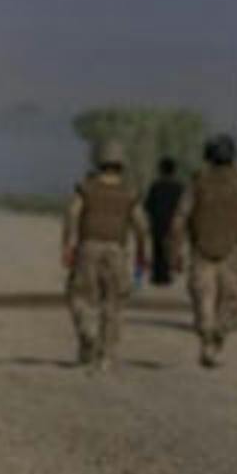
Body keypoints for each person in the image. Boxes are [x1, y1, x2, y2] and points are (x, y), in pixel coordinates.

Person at [62, 138, 150, 372]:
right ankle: (105, 356)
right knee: (114, 303)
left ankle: (87, 332)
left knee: (78, 296)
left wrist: (67, 246)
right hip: (117, 251)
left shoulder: (86, 188)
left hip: (88, 248)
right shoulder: (129, 193)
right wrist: (142, 253)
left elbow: (72, 215)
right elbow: (141, 226)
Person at [172, 132, 237, 367]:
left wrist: (175, 250)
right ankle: (215, 338)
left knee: (203, 301)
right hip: (233, 253)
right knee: (232, 302)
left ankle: (208, 341)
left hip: (201, 251)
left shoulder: (197, 183)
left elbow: (180, 218)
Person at [144, 157, 188, 286]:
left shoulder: (155, 186)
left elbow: (148, 206)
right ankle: (169, 272)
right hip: (174, 224)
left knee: (158, 250)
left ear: (161, 170)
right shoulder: (179, 187)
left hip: (158, 224)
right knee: (172, 249)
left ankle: (158, 275)